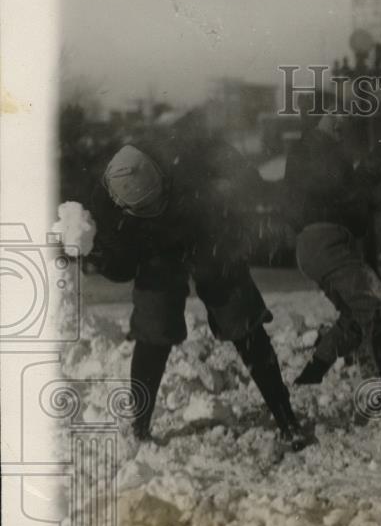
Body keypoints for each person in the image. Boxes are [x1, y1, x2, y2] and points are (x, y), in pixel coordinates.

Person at [87, 134, 311, 460]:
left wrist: (237, 200)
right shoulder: (106, 202)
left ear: (163, 177)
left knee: (243, 322)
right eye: (151, 207)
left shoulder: (187, 153)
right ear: (128, 208)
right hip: (155, 251)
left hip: (206, 233)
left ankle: (287, 420)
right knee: (154, 330)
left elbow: (238, 171)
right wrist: (97, 254)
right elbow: (121, 267)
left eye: (161, 197)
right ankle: (139, 427)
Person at [283, 110, 381, 402]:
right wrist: (326, 127)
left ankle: (312, 374)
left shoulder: (358, 204)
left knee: (357, 317)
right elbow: (313, 156)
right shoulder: (344, 183)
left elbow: (368, 268)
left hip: (316, 249)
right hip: (325, 242)